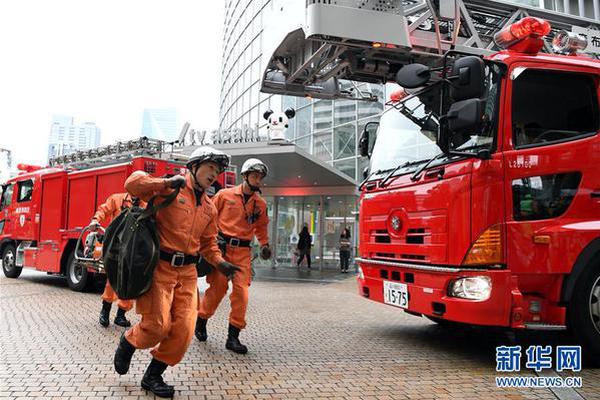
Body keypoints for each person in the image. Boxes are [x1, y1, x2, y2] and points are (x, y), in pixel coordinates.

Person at [112, 146, 241, 398]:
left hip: (188, 273)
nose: (215, 174)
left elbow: (209, 244)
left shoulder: (210, 207)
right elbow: (132, 184)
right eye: (210, 168)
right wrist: (164, 182)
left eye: (218, 171)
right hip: (160, 268)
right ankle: (129, 341)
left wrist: (220, 262)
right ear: (194, 166)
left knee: (183, 331)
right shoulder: (169, 189)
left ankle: (153, 376)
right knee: (157, 327)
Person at [195, 158, 271, 354]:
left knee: (242, 294)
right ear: (245, 176)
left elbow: (261, 227)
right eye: (254, 175)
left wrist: (265, 244)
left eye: (260, 177)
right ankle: (201, 320)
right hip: (221, 249)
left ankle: (233, 337)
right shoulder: (224, 195)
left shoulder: (260, 204)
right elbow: (207, 214)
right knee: (218, 289)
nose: (257, 180)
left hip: (243, 254)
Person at [88, 193, 141, 328]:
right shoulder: (117, 199)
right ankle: (105, 312)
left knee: (130, 282)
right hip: (116, 246)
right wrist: (95, 220)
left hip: (133, 248)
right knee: (112, 280)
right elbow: (103, 210)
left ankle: (120, 315)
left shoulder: (146, 204)